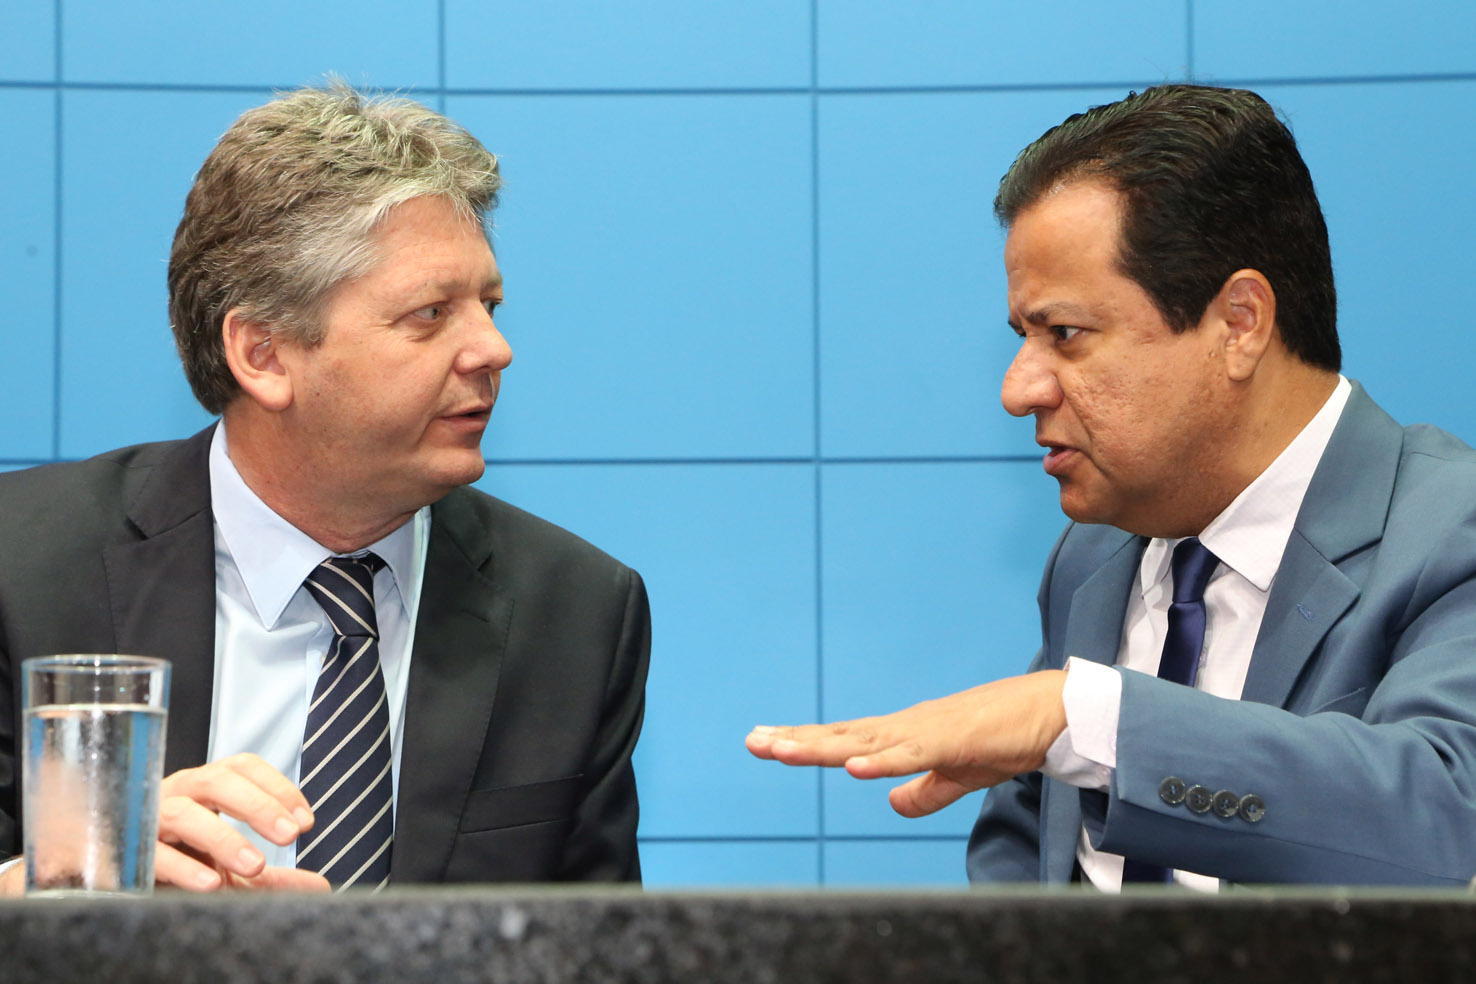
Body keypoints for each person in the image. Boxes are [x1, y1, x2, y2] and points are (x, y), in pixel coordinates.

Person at [747, 84, 1476, 888]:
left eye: (1065, 333)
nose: (1018, 390)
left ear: (1239, 323)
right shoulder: (1091, 554)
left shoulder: (1451, 532)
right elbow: (1026, 853)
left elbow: (1448, 812)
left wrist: (1090, 718)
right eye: (1024, 336)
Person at [0, 83, 650, 894]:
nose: (493, 349)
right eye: (430, 313)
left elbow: (600, 943)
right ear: (264, 354)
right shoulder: (22, 572)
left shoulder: (577, 614)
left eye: (488, 305)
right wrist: (62, 881)